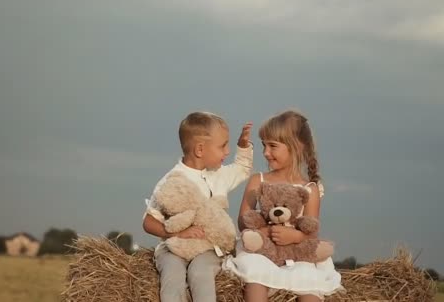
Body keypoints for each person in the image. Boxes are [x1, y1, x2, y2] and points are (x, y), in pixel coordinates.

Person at [224, 110, 343, 302]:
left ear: (296, 147)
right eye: (264, 145)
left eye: (272, 146)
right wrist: (265, 231)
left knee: (310, 284)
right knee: (255, 277)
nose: (266, 153)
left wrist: (295, 235)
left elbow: (311, 230)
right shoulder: (258, 180)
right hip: (262, 251)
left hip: (296, 254)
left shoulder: (310, 189)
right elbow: (243, 220)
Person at [143, 111, 253, 302]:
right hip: (174, 248)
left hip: (209, 249)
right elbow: (148, 221)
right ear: (200, 150)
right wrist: (176, 234)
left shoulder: (219, 175)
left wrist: (243, 146)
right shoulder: (172, 181)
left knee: (200, 273)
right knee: (172, 274)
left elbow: (242, 168)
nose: (227, 152)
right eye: (223, 146)